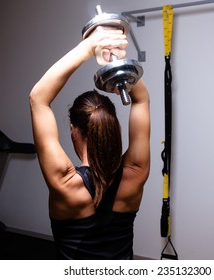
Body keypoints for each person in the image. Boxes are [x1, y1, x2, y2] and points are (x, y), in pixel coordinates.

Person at [29, 27, 150, 259]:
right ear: (113, 128)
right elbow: (141, 101)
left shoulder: (65, 184)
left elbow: (38, 98)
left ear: (74, 130)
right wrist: (117, 57)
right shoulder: (134, 173)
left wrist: (89, 47)